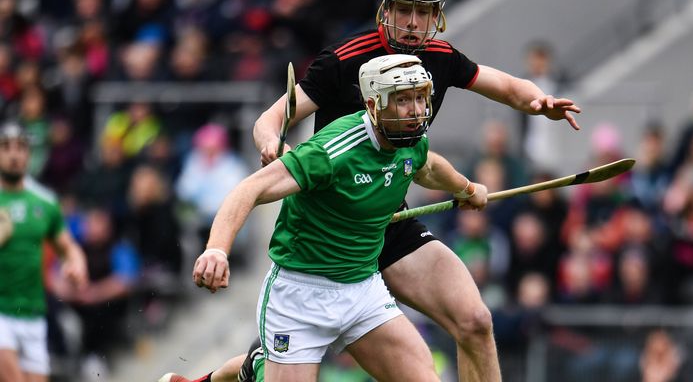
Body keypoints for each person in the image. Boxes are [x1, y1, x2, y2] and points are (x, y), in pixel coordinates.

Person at [162, 0, 580, 382]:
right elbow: (268, 123)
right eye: (404, 11)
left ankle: (262, 363)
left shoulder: (438, 61)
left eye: (424, 13)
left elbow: (436, 151)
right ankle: (251, 367)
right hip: (324, 231)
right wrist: (271, 143)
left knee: (475, 320)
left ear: (438, 17)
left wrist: (536, 102)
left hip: (384, 221)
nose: (414, 23)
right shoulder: (343, 63)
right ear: (386, 9)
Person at [164, 54, 488, 382]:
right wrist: (217, 249)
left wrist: (466, 188)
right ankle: (257, 365)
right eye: (403, 99)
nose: (416, 110)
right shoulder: (331, 153)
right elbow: (249, 190)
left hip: (362, 289)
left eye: (420, 97)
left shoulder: (411, 142)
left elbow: (428, 167)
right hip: (301, 297)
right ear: (374, 105)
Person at [0, 121, 89, 382]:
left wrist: (76, 265)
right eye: (5, 147)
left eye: (20, 147)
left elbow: (68, 247)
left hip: (33, 312)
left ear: (29, 154)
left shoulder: (44, 202)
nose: (14, 154)